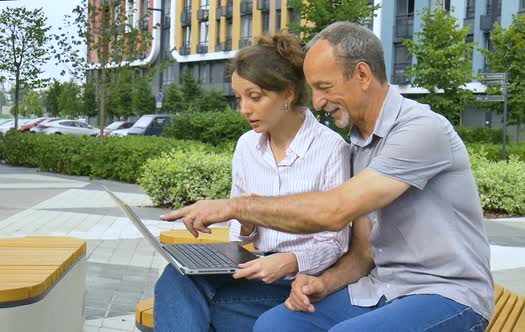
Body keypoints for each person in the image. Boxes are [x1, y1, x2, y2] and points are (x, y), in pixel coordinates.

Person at [161, 22, 494, 332]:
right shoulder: (361, 145)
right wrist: (324, 283)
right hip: (381, 290)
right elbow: (363, 255)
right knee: (274, 326)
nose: (317, 102)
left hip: (447, 295)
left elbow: (334, 212)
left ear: (362, 74)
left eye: (324, 87)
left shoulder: (421, 129)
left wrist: (237, 207)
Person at [154, 33, 350, 331]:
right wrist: (246, 222)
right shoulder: (247, 145)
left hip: (301, 284)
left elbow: (336, 242)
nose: (244, 108)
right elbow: (240, 235)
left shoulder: (331, 148)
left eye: (254, 97)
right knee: (176, 276)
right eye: (239, 98)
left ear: (287, 94)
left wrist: (290, 260)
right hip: (254, 270)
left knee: (203, 309)